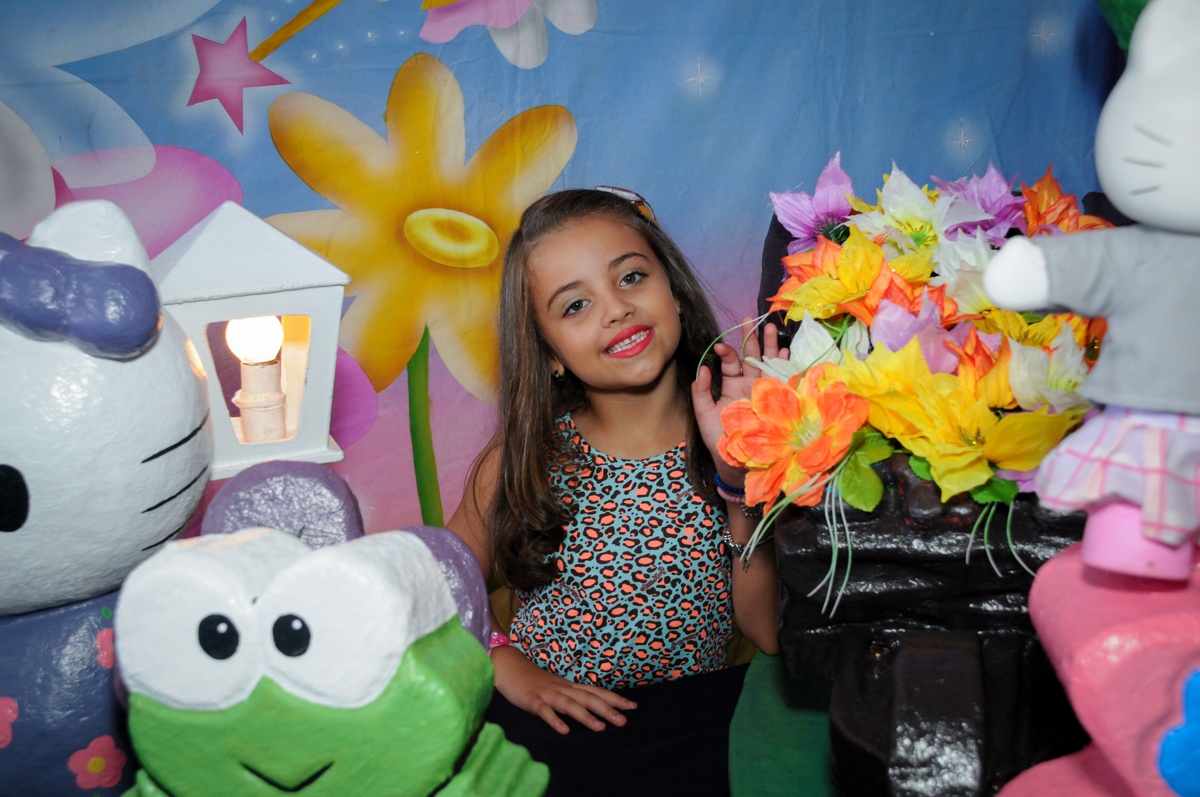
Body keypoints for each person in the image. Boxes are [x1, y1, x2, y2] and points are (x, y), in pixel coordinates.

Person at [447, 188, 783, 797]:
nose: (616, 309)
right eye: (574, 305)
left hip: (688, 728)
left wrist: (740, 478)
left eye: (630, 276)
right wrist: (502, 661)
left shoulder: (748, 435)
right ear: (548, 353)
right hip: (554, 730)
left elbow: (768, 632)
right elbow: (433, 584)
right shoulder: (522, 462)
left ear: (675, 292)